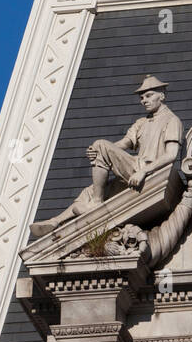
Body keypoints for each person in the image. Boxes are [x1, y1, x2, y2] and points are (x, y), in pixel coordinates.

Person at [29, 76, 183, 239]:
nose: (144, 100)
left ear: (162, 95)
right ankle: (55, 222)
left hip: (150, 173)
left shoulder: (172, 120)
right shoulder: (141, 122)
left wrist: (143, 171)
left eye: (149, 95)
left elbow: (171, 155)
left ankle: (97, 204)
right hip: (134, 169)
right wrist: (98, 151)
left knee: (101, 146)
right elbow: (124, 143)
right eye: (142, 97)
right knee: (90, 190)